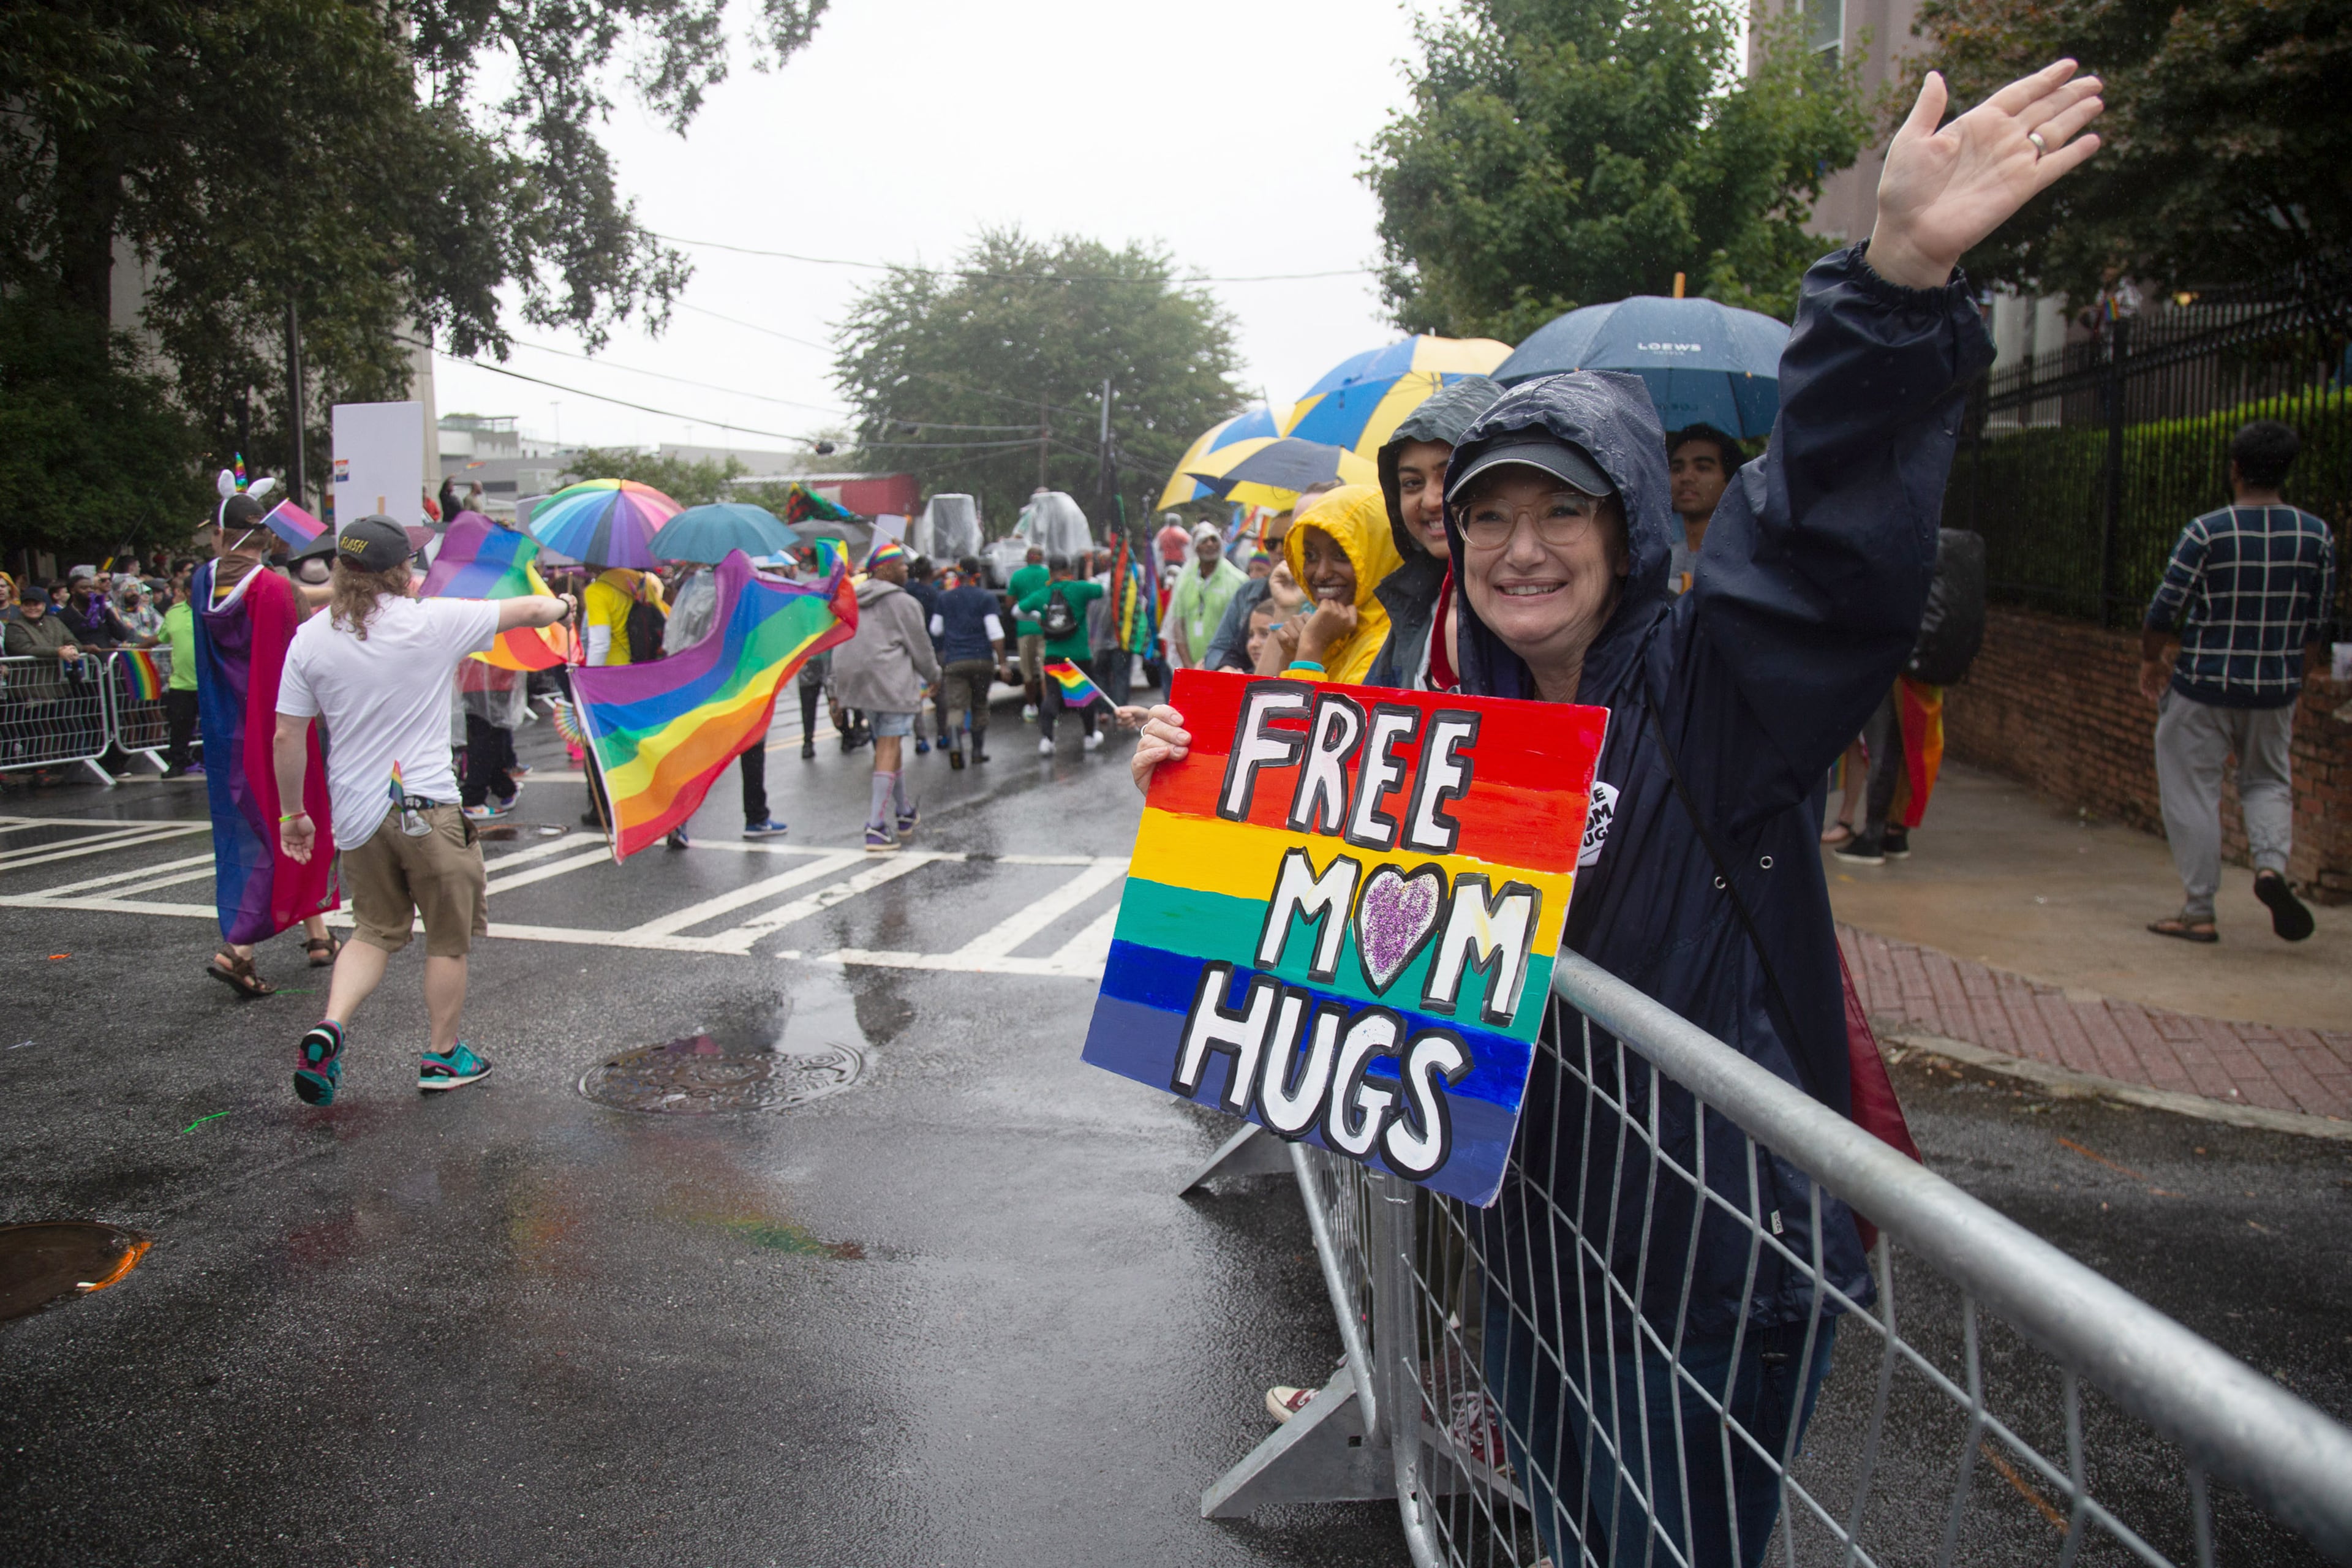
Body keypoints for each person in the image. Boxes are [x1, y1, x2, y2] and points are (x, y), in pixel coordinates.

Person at [1131, 59, 2103, 1566]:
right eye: (1488, 517)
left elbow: (1823, 536)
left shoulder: (1712, 684)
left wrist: (1897, 281)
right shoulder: (1471, 719)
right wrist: (1206, 801)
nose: (1519, 549)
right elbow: (1327, 917)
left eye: (1557, 511)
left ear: (1629, 521)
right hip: (1534, 1236)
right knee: (1569, 1536)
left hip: (1710, 1256)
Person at [271, 516, 571, 1106]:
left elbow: (286, 736)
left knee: (373, 932)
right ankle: (442, 1055)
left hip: (357, 815)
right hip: (427, 805)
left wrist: (292, 815)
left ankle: (330, 1028)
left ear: (341, 569)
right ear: (400, 570)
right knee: (446, 939)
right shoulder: (431, 620)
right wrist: (561, 603)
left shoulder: (310, 637)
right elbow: (532, 613)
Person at [2141, 418, 2336, 943]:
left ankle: (2199, 909)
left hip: (2204, 683)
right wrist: (2296, 678)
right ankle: (2271, 867)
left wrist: (2150, 660)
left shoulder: (2207, 531)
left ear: (2235, 469)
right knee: (2268, 779)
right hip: (2274, 686)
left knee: (2192, 790)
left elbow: (2165, 608)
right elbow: (2317, 625)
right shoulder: (2317, 537)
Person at [193, 493, 341, 997]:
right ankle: (239, 953)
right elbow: (301, 647)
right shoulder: (275, 591)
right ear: (268, 538)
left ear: (220, 535)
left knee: (254, 830)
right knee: (290, 825)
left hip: (226, 725)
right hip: (278, 727)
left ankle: (318, 936)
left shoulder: (202, 583)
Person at [1365, 377, 1505, 688]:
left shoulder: (1540, 603)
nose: (1430, 500)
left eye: (1450, 475)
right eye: (1412, 483)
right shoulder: (1416, 605)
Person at [663, 560, 788, 837]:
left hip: (695, 680)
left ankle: (676, 821)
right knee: (753, 746)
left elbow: (674, 635)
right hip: (737, 680)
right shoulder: (742, 587)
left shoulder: (692, 587)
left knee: (692, 750)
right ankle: (756, 817)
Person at [833, 540, 938, 852]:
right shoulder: (903, 603)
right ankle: (876, 826)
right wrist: (935, 677)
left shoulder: (851, 599)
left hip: (857, 684)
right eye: (902, 566)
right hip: (889, 681)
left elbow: (836, 642)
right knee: (889, 746)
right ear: (887, 570)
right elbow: (921, 648)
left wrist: (834, 693)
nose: (907, 571)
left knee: (887, 747)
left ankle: (904, 812)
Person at [1258, 486, 1404, 684]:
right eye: (1310, 556)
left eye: (1342, 555)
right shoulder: (1336, 629)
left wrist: (1310, 649)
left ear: (1379, 556)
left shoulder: (1388, 648)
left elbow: (1297, 714)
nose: (1321, 573)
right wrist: (1291, 655)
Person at [1203, 480, 1341, 671]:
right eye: (1271, 543)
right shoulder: (1251, 593)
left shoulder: (1354, 608)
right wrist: (1226, 669)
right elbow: (1266, 688)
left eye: (1287, 540)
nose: (1280, 550)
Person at [1017, 553, 1107, 753]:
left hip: (1054, 654)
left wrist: (1038, 618)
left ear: (1050, 571)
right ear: (1068, 570)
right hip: (1080, 654)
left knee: (1052, 695)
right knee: (1085, 695)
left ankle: (1047, 740)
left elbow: (1017, 611)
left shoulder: (1043, 593)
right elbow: (1103, 590)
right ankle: (1090, 737)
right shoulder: (1079, 589)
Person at [931, 554, 1005, 769]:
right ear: (978, 575)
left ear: (958, 574)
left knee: (956, 707)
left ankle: (955, 746)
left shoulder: (944, 598)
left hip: (955, 661)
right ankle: (977, 752)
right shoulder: (986, 598)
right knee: (980, 704)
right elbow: (995, 633)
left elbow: (935, 629)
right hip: (982, 660)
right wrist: (1003, 662)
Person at [1665, 424, 1743, 596]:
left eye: (1702, 467)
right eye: (1677, 469)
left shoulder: (1745, 561)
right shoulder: (1661, 561)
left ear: (1729, 481)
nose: (1686, 477)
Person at [1166, 522, 1248, 669]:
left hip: (1226, 669)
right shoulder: (1184, 581)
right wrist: (1189, 666)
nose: (1210, 544)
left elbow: (1244, 632)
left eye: (1214, 539)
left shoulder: (1238, 581)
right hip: (1193, 667)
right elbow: (1178, 628)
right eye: (1204, 541)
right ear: (1196, 547)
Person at [159, 573, 203, 777]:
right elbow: (161, 637)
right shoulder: (174, 613)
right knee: (179, 727)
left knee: (214, 729)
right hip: (181, 683)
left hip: (209, 683)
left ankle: (213, 763)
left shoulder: (213, 610)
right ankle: (178, 763)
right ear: (186, 592)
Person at [903, 554, 945, 756]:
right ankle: (943, 735)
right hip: (933, 648)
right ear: (931, 573)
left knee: (917, 695)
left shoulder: (907, 590)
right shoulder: (936, 595)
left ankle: (921, 739)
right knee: (939, 692)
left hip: (910, 649)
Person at [1006, 546, 1050, 720]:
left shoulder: (1017, 576)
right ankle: (1048, 709)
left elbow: (1010, 603)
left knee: (1027, 671)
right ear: (1042, 558)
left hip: (1024, 630)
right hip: (1047, 630)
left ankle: (1031, 706)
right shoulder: (1048, 575)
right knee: (1045, 671)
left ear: (1027, 558)